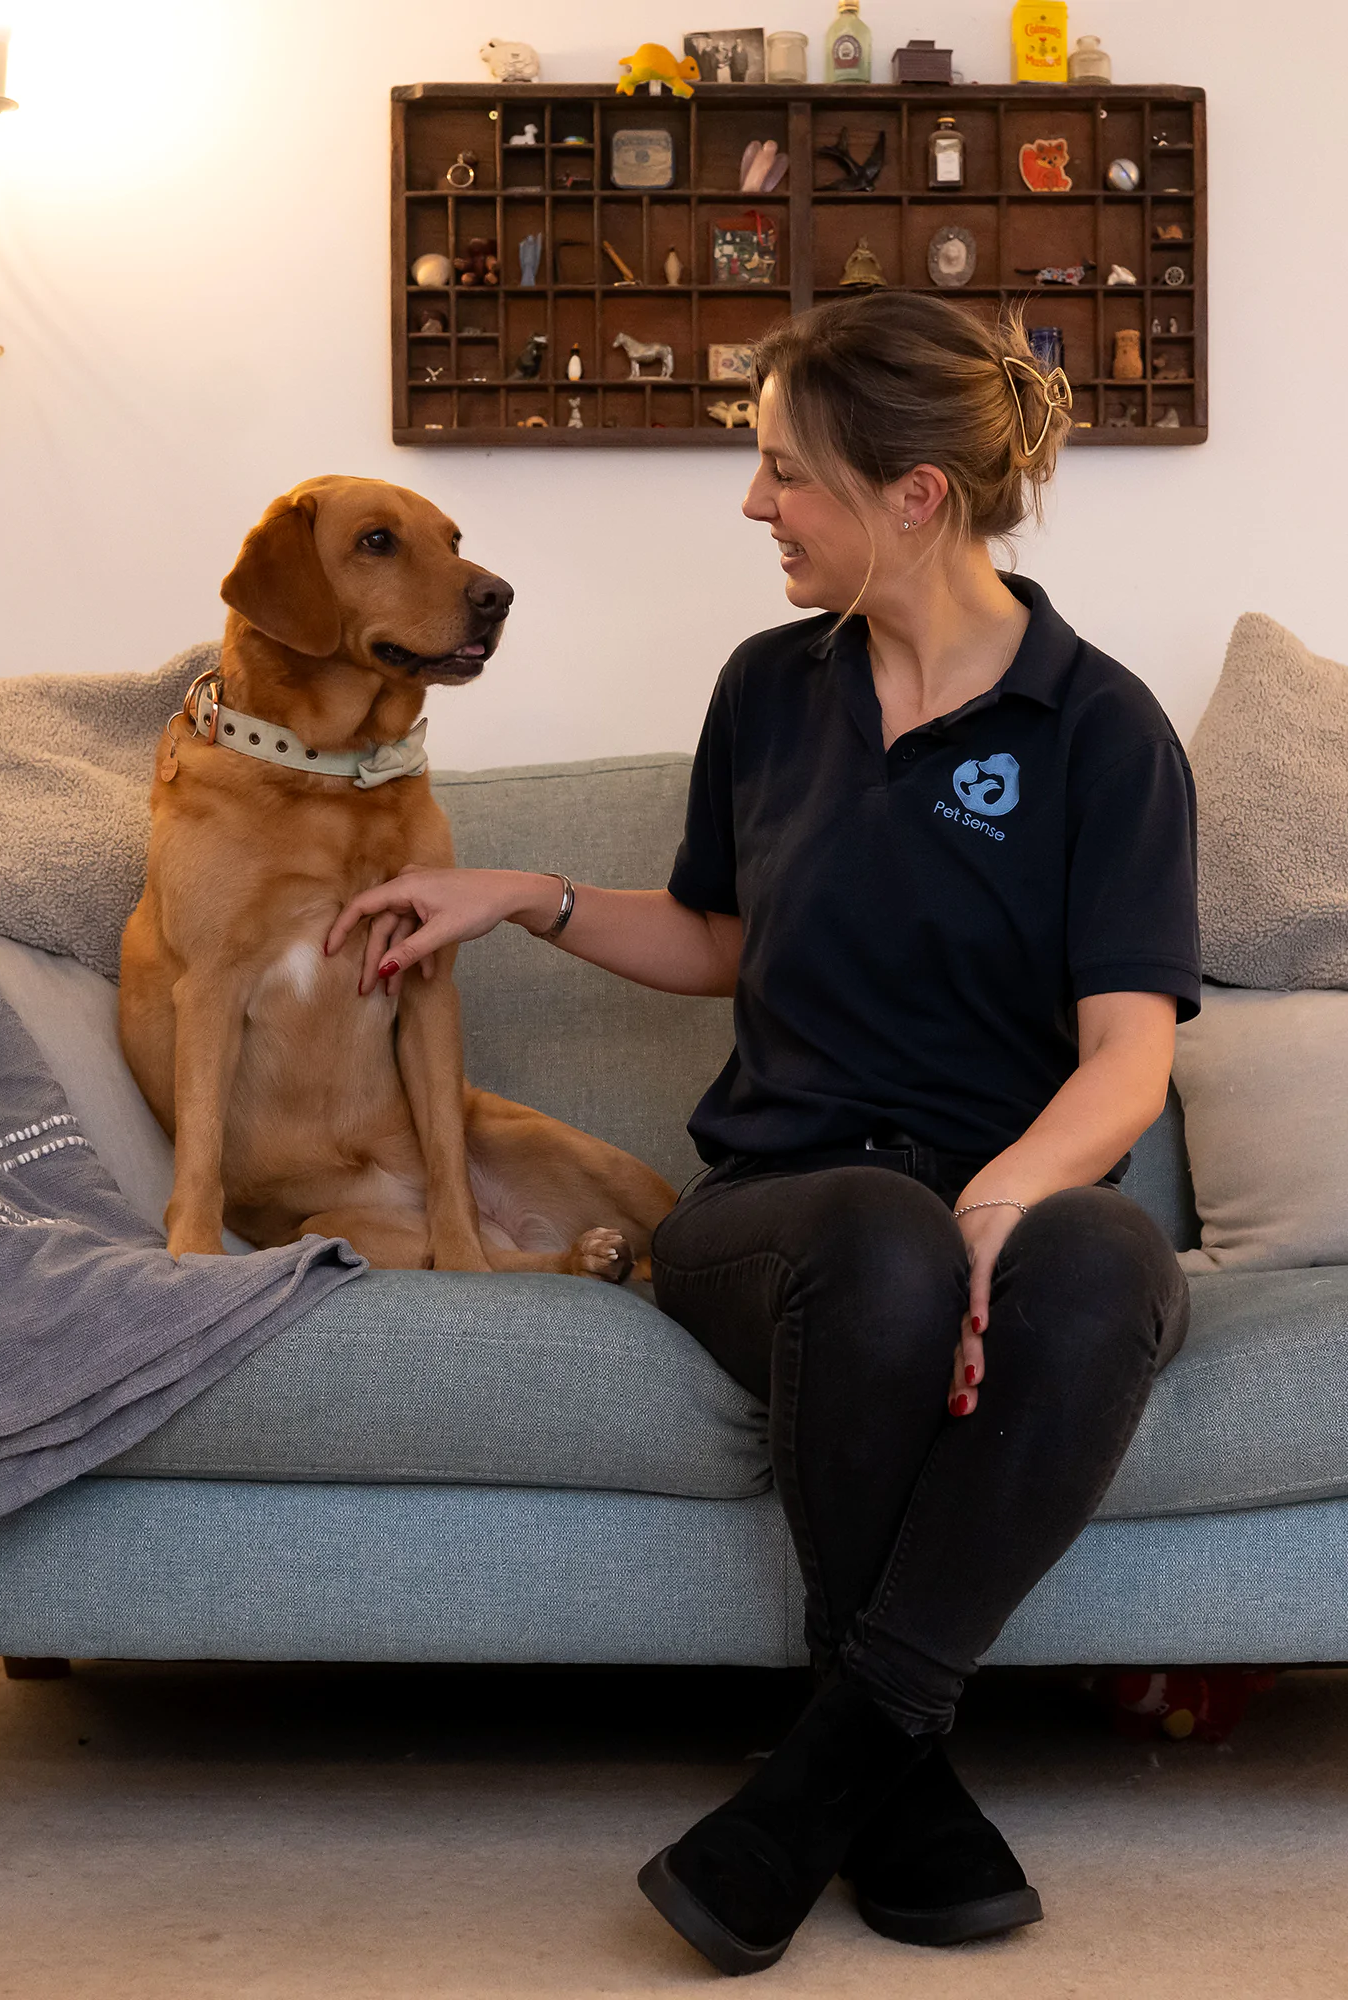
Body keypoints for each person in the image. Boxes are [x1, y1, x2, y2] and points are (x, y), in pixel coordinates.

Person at [326, 291, 1200, 1976]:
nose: (753, 507)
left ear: (912, 495)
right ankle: (891, 1766)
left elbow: (1123, 1062)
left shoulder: (1098, 729)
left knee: (1107, 1256)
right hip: (779, 1214)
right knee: (870, 1225)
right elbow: (721, 940)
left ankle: (841, 1766)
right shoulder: (770, 691)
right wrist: (527, 892)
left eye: (784, 473)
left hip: (989, 1190)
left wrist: (1006, 1200)